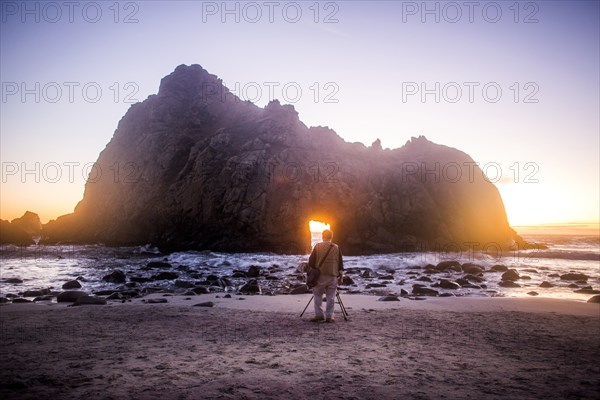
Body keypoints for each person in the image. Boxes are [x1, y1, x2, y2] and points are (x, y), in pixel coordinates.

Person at [307, 229, 344, 322]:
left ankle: (319, 315)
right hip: (332, 275)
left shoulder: (317, 246)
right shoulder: (336, 247)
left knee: (317, 295)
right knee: (331, 297)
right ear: (331, 237)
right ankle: (329, 316)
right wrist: (341, 276)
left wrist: (316, 267)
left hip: (320, 275)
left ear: (322, 236)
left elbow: (310, 262)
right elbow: (340, 263)